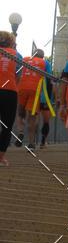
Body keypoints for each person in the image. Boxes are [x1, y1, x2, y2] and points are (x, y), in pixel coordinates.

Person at [15, 49, 52, 149]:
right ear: (42, 56)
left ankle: (21, 132)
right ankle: (31, 143)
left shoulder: (25, 59)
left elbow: (17, 74)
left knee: (20, 113)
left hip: (22, 88)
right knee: (32, 117)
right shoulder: (45, 63)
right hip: (35, 90)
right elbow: (49, 79)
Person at [0, 31, 21, 166]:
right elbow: (18, 76)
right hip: (9, 91)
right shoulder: (16, 55)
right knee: (6, 125)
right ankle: (1, 158)